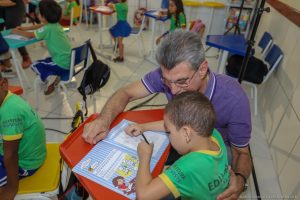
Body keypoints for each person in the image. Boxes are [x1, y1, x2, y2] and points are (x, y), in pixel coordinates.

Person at [82, 30, 252, 199]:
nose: (173, 90)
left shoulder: (234, 98)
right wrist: (103, 120)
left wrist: (240, 179)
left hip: (215, 157)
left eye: (181, 81)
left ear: (202, 69)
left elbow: (242, 153)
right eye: (166, 81)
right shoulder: (171, 75)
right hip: (181, 140)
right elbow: (126, 92)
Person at [126, 91, 230, 199]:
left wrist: (145, 157)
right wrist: (143, 127)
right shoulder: (213, 134)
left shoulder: (188, 165)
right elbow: (173, 124)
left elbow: (144, 196)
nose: (168, 135)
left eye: (169, 132)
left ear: (186, 133)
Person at [0, 73, 46, 199]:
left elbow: (11, 154)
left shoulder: (10, 111)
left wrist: (12, 187)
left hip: (25, 163)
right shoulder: (6, 99)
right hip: (15, 153)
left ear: (4, 84)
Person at [12, 0, 72, 95]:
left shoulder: (48, 28)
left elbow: (31, 35)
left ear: (44, 16)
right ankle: (52, 77)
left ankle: (50, 79)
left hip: (61, 63)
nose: (38, 14)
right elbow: (40, 26)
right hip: (67, 60)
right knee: (43, 62)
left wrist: (16, 32)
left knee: (34, 65)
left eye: (39, 13)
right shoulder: (54, 24)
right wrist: (24, 28)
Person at [0, 0, 32, 69]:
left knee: (13, 31)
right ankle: (4, 59)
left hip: (14, 6)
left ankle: (25, 56)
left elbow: (11, 2)